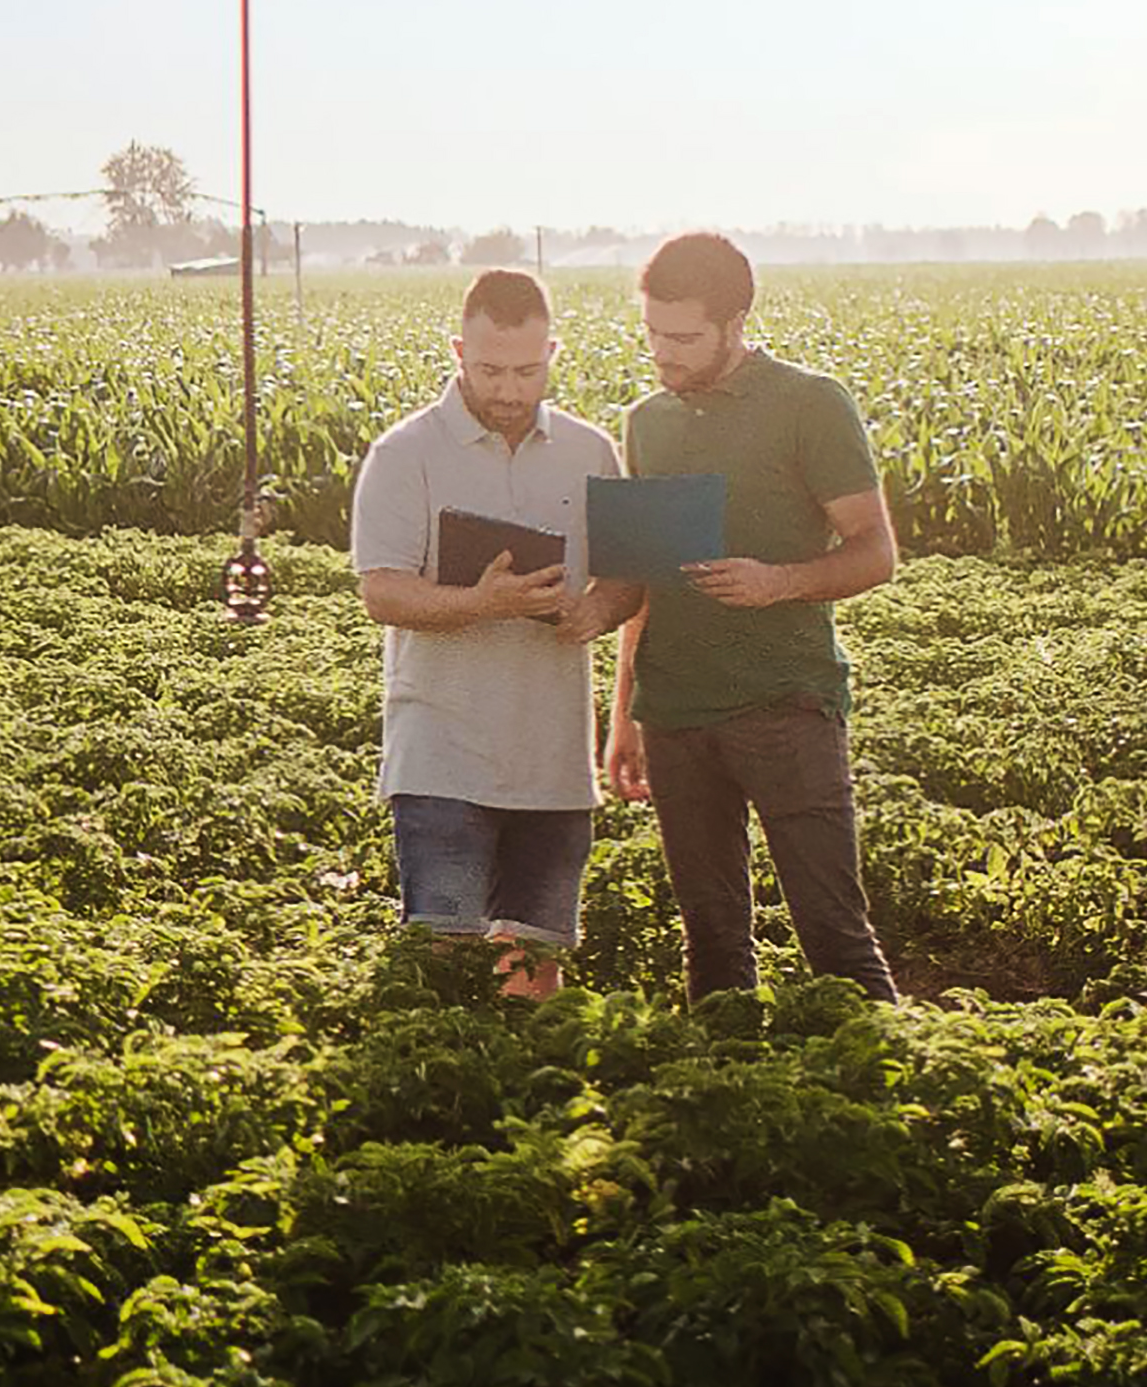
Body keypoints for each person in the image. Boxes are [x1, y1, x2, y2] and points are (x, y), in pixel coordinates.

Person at [600, 229, 905, 999]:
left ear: (734, 322)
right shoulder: (647, 420)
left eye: (683, 336)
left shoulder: (809, 404)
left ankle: (897, 1101)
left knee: (833, 934)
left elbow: (875, 551)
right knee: (710, 942)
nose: (662, 353)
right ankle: (731, 1100)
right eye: (651, 333)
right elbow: (644, 579)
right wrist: (624, 713)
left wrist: (778, 581)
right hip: (675, 714)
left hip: (785, 707)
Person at [350, 266, 627, 996]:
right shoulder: (403, 453)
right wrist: (484, 601)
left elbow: (628, 578)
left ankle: (520, 1100)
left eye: (526, 370)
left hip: (553, 760)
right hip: (440, 755)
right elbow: (381, 592)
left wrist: (596, 610)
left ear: (553, 355)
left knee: (531, 973)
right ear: (456, 351)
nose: (507, 388)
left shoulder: (589, 451)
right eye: (489, 369)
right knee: (439, 960)